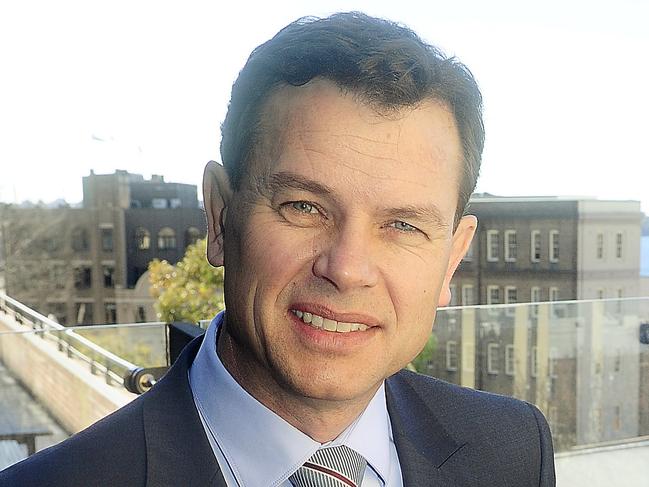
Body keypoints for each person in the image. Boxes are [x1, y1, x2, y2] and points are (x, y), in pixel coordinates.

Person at [0, 12, 555, 487]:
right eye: (304, 207)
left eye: (404, 225)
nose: (347, 268)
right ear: (219, 215)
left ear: (451, 259)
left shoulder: (511, 452)